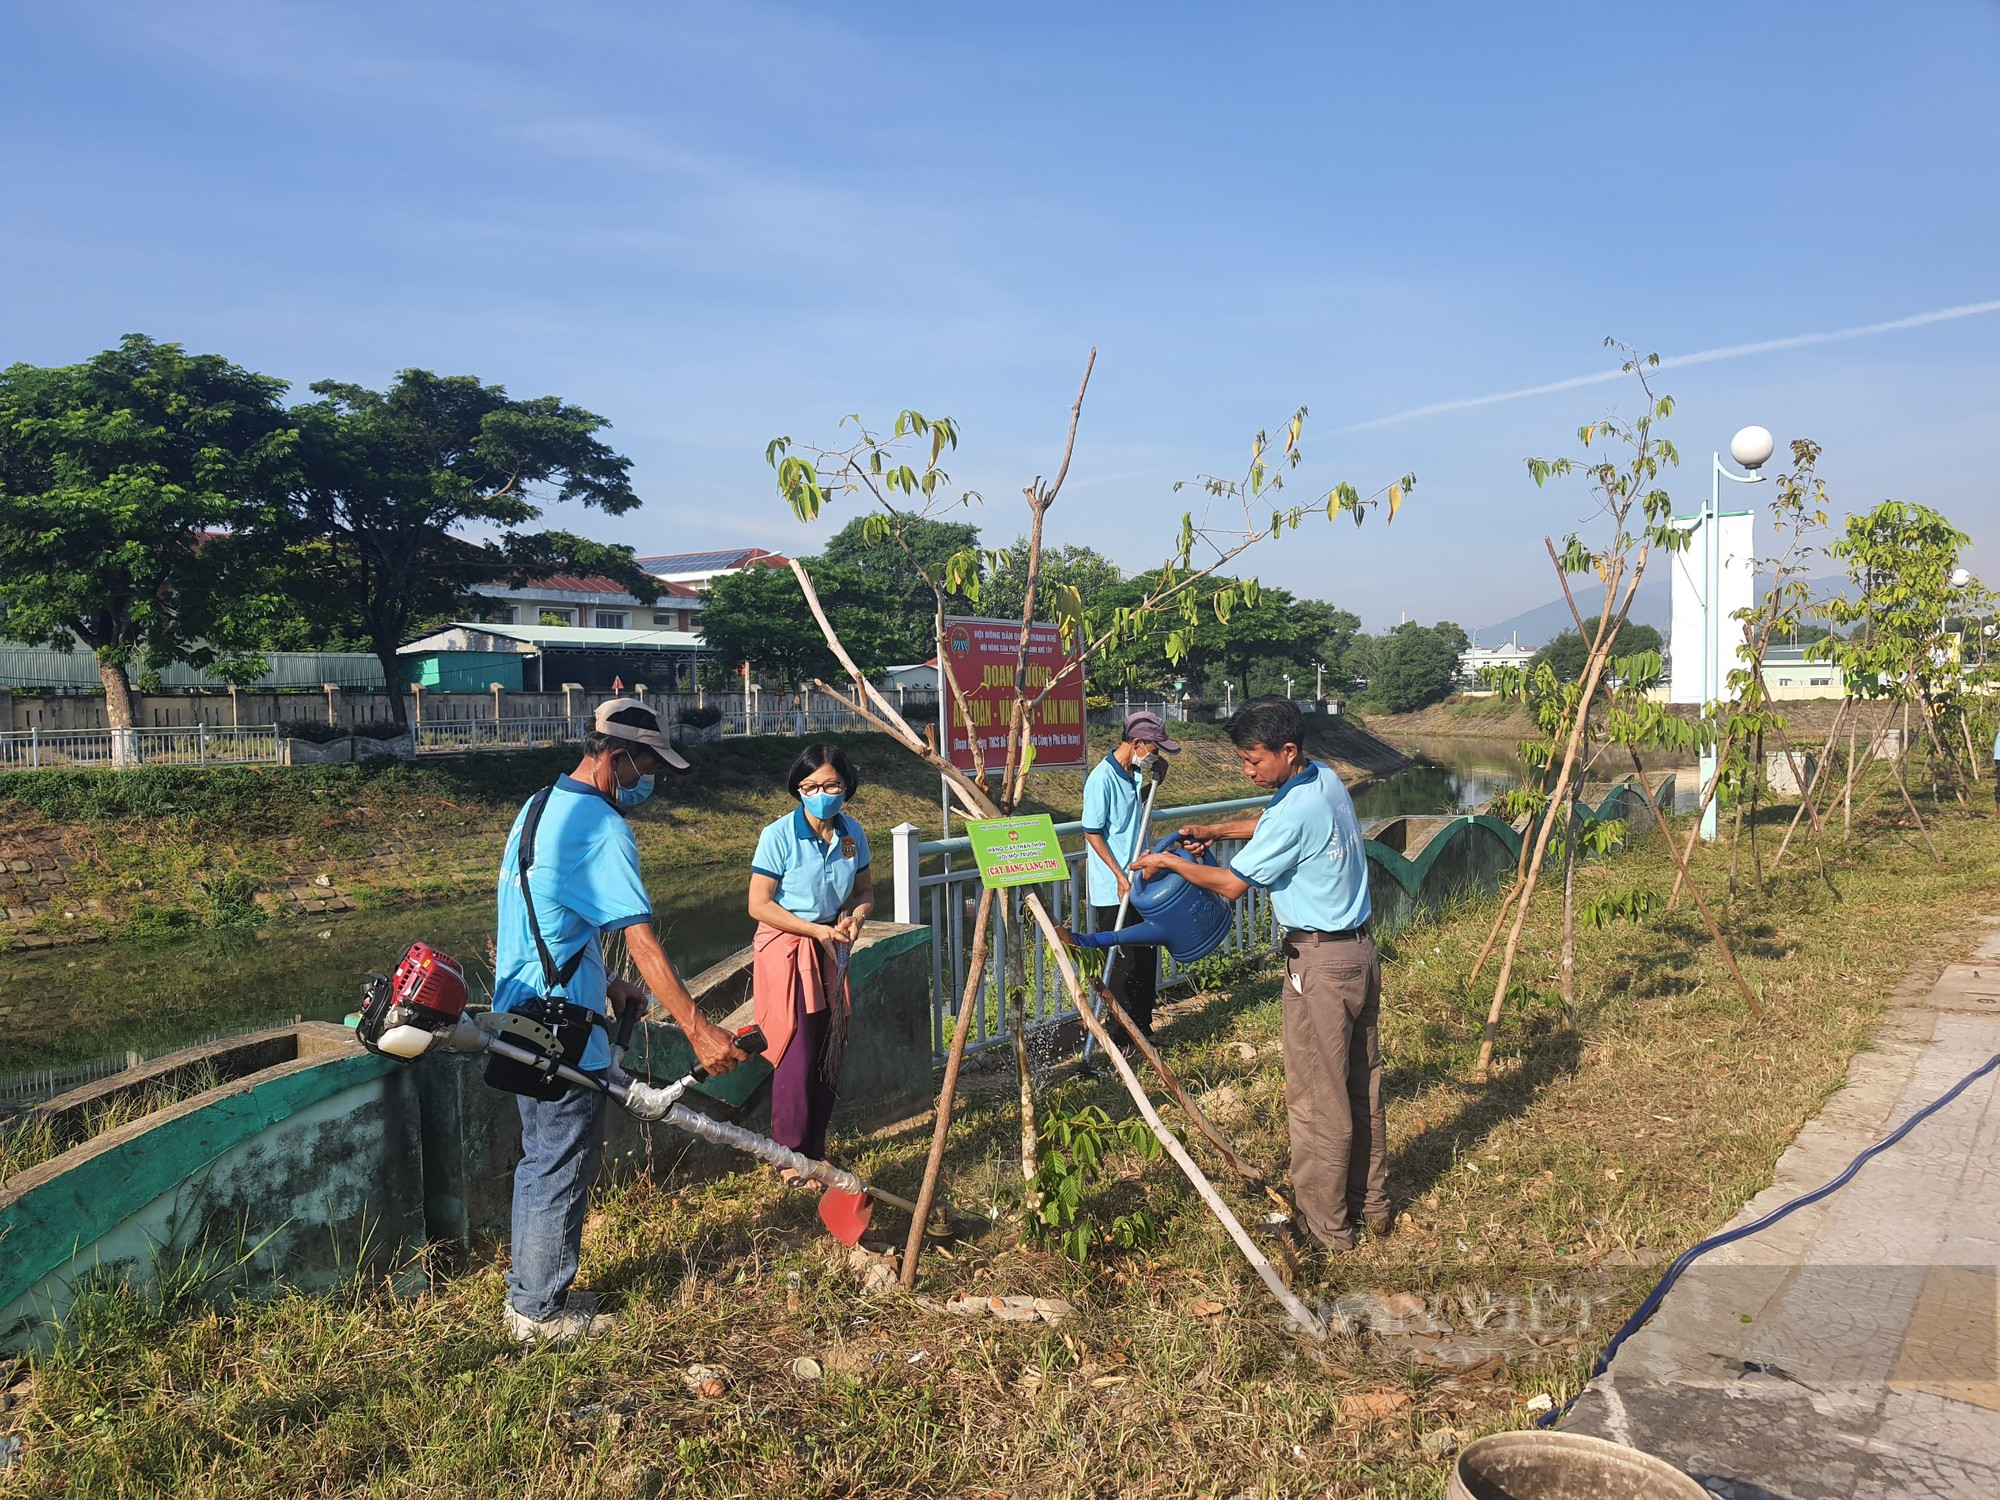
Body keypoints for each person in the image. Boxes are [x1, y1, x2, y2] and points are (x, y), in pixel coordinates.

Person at [494, 699, 744, 1345]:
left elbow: (541, 921)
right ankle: (539, 1314)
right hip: (564, 1025)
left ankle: (533, 1289)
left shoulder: (537, 807)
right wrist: (699, 1029)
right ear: (617, 755)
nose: (648, 779)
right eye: (648, 764)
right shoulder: (600, 826)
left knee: (540, 1158)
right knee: (560, 1161)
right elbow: (642, 941)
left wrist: (605, 985)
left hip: (521, 1008)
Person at [1130, 696, 1388, 1253]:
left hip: (1319, 964)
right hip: (1359, 954)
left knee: (1318, 1099)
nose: (1247, 771)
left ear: (1287, 751)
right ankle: (1372, 1203)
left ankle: (1324, 1231)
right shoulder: (1323, 781)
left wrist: (1171, 861)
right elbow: (1270, 824)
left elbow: (1230, 887)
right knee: (1361, 1087)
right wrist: (1218, 830)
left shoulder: (1296, 806)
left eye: (1253, 761)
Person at [747, 744, 874, 1176]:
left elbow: (865, 893)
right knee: (795, 1047)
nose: (821, 793)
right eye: (810, 786)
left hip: (830, 947)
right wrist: (815, 929)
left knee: (829, 1046)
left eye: (831, 784)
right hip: (787, 949)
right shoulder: (777, 836)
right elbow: (759, 905)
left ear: (846, 786)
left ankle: (815, 1150)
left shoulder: (853, 834)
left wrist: (855, 918)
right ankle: (789, 1155)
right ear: (797, 789)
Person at [1079, 711, 1182, 1044]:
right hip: (1116, 888)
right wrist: (1119, 875)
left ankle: (1143, 1028)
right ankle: (1123, 1035)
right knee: (1123, 965)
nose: (1157, 754)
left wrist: (1155, 782)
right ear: (1137, 743)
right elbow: (1093, 832)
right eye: (1155, 748)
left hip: (1141, 881)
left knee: (1145, 956)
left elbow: (1129, 815)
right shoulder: (1102, 778)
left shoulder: (1133, 773)